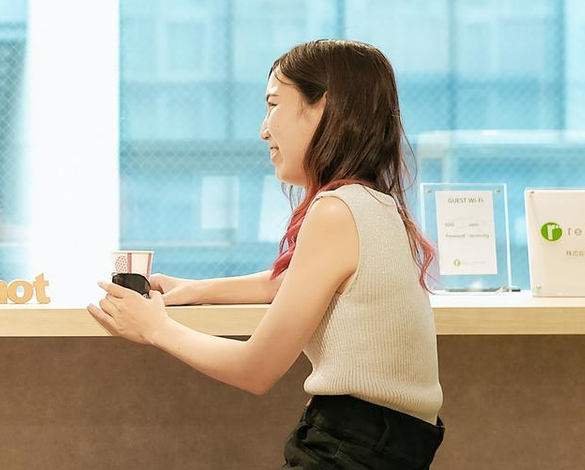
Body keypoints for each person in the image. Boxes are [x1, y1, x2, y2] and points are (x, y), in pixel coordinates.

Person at [88, 39, 445, 469]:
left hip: (349, 446)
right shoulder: (376, 205)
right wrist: (196, 290)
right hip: (388, 445)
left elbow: (255, 369)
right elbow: (294, 283)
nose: (263, 130)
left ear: (321, 106)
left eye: (273, 104)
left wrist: (155, 328)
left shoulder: (336, 211)